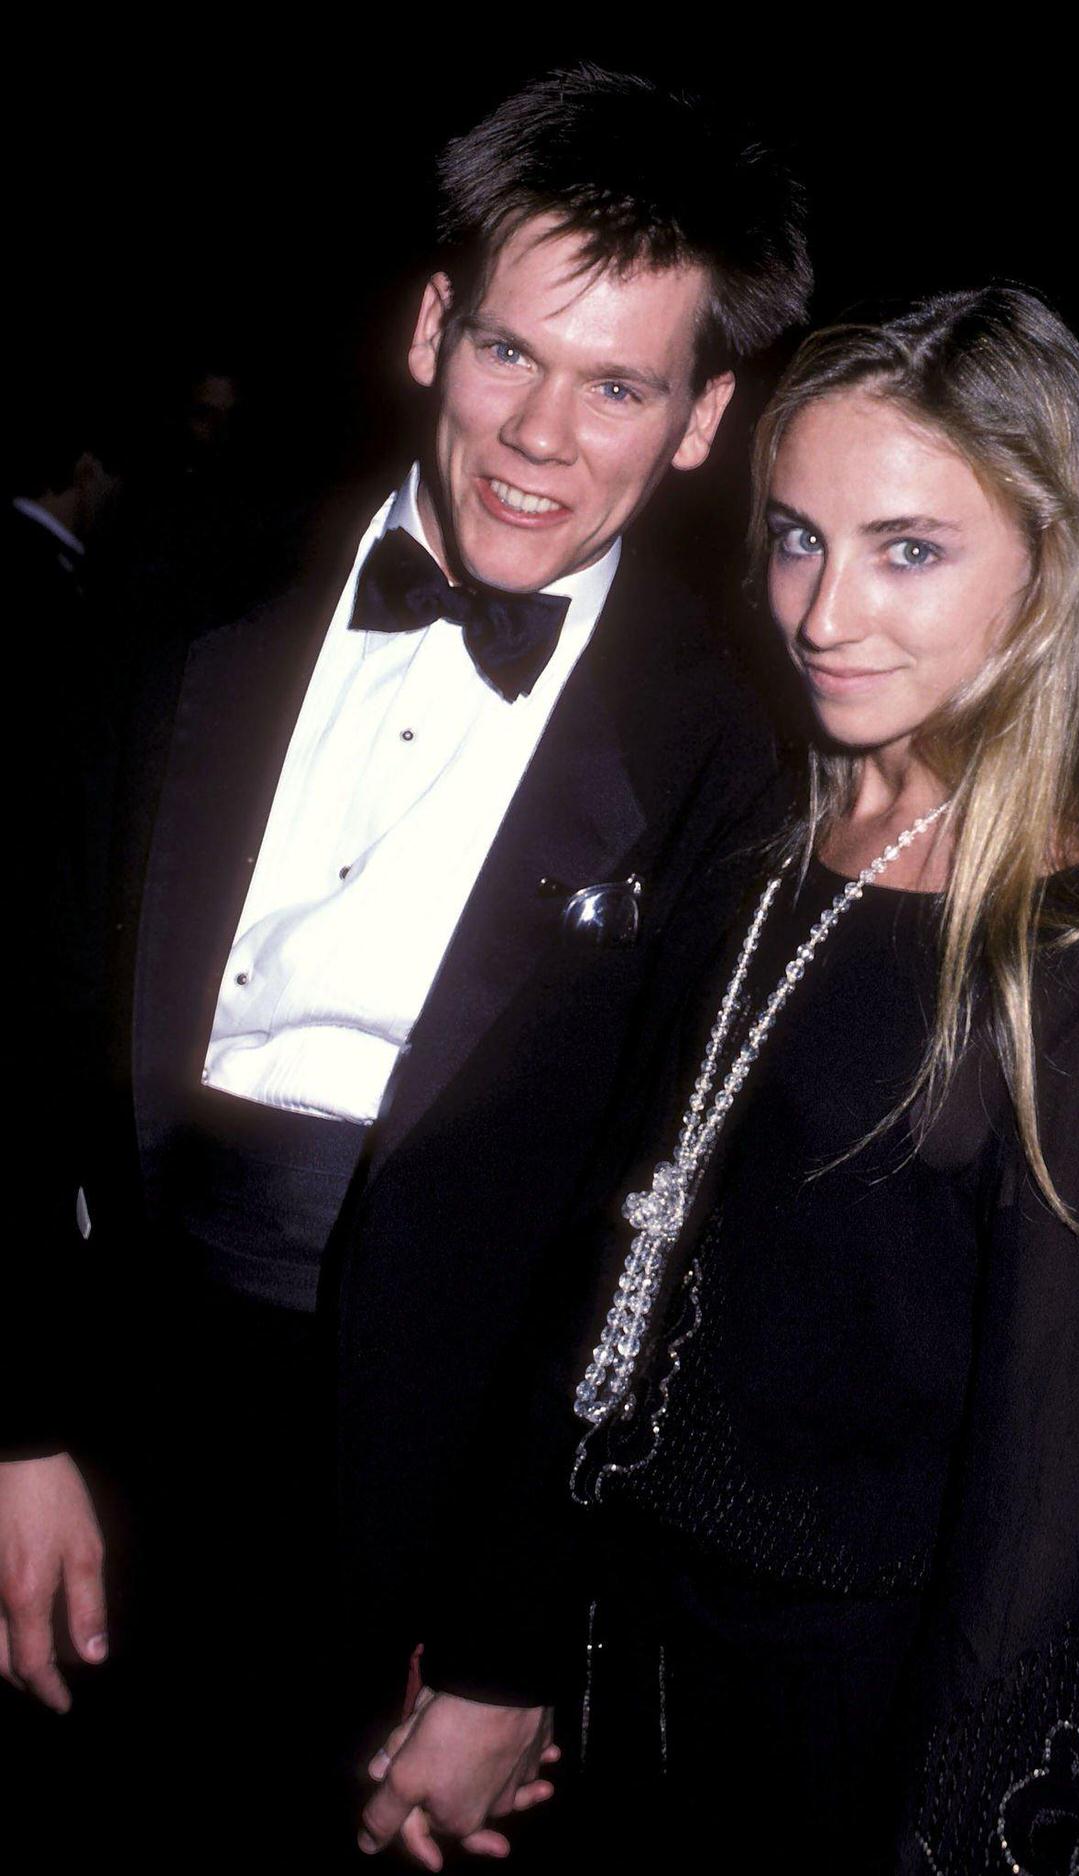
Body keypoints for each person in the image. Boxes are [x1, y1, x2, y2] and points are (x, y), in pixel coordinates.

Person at [0, 66, 810, 1871]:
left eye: (622, 386)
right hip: (112, 1414)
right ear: (434, 328)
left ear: (699, 422)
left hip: (446, 1502)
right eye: (513, 353)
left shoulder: (731, 751)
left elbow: (660, 1244)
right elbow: (21, 1014)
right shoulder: (183, 587)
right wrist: (17, 1418)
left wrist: (518, 1646)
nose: (543, 433)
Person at [385, 287, 1079, 1872]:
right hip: (612, 1680)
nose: (824, 612)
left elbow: (1048, 1581)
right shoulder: (767, 847)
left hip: (837, 1752)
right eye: (796, 538)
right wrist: (506, 1652)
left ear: (1050, 569)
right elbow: (607, 1269)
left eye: (909, 549)